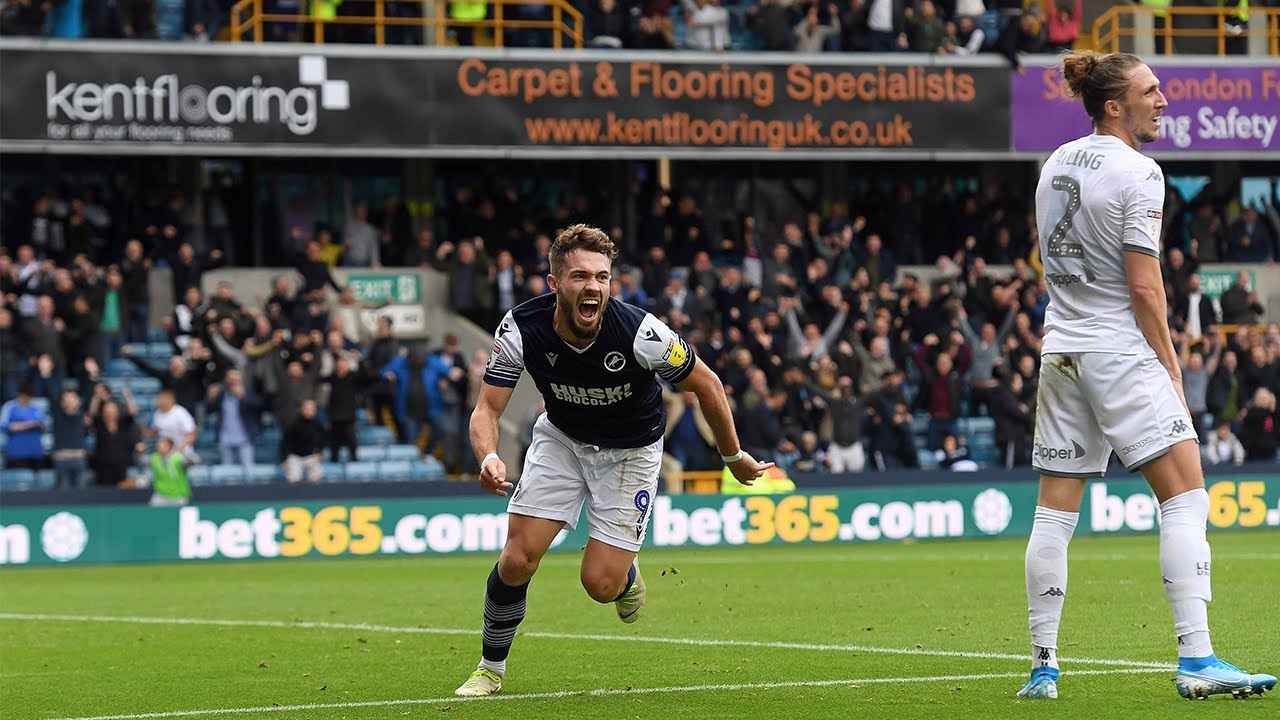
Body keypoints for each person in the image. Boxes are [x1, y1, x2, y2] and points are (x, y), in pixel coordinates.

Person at [1019, 50, 1275, 701]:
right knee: (1186, 496)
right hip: (1118, 351)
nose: (1163, 100)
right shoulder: (1140, 171)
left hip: (1062, 348)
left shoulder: (1055, 163)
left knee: (1053, 516)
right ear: (1115, 105)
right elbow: (1144, 286)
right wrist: (1168, 363)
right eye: (1150, 90)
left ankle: (1043, 668)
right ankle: (1197, 658)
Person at [454, 224, 772, 697]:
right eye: (581, 276)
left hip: (630, 453)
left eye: (602, 277)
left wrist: (732, 455)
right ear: (554, 282)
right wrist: (489, 456)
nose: (594, 287)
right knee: (517, 559)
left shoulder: (642, 332)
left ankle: (624, 575)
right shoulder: (520, 328)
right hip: (561, 441)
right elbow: (486, 409)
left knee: (600, 584)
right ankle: (489, 669)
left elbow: (707, 384)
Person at [148, 436, 193, 506]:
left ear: (170, 446)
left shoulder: (178, 457)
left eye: (163, 444)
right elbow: (141, 461)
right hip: (161, 494)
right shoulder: (154, 457)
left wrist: (185, 453)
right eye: (159, 444)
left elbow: (191, 462)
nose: (160, 446)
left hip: (178, 495)